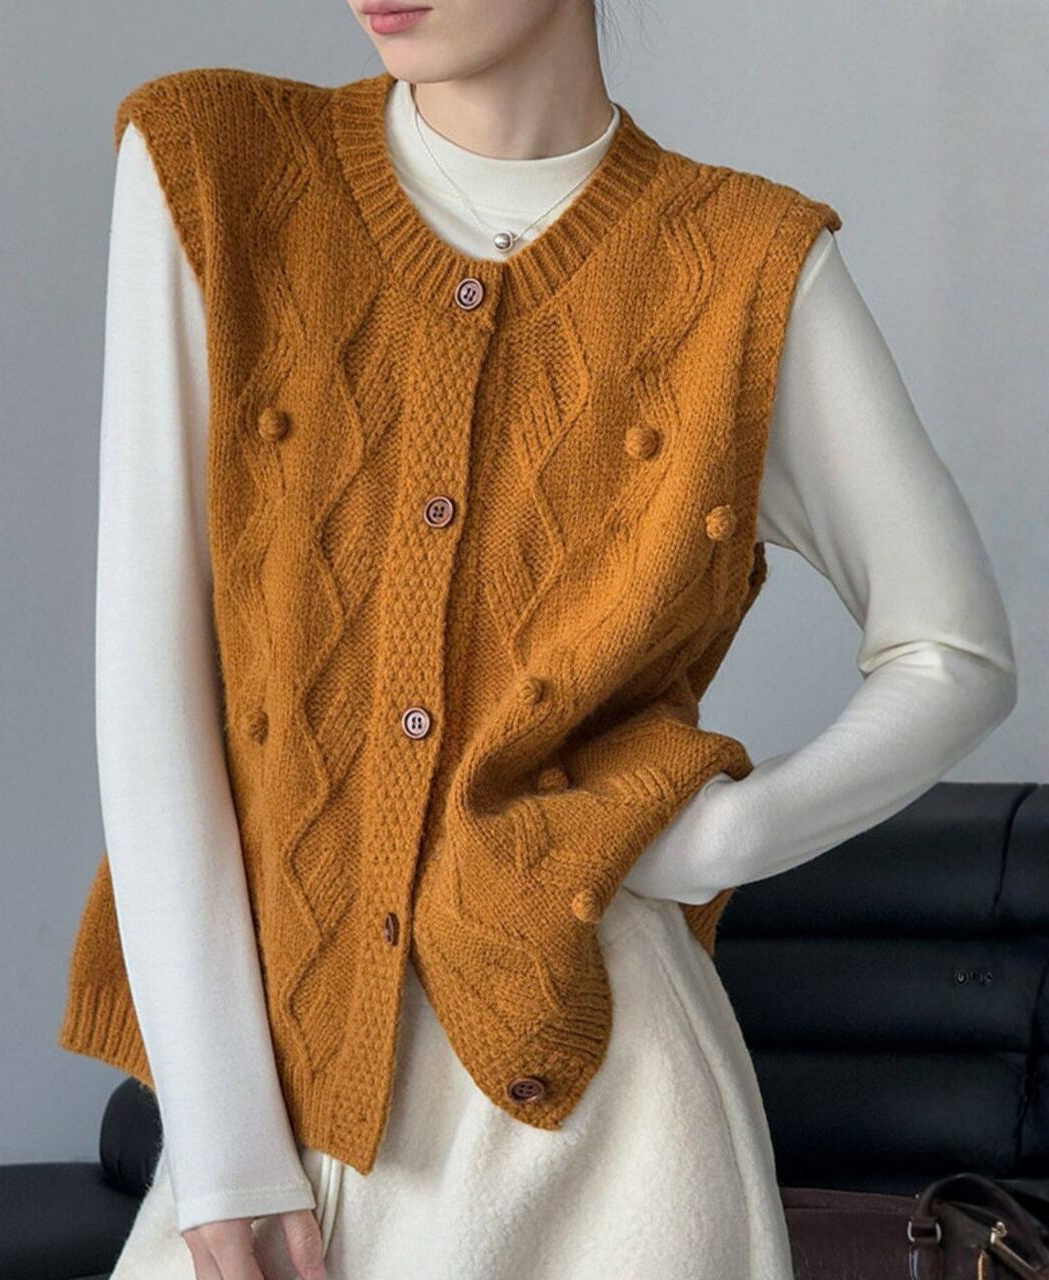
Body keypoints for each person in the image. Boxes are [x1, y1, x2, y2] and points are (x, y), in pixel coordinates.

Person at [61, 3, 1019, 1278]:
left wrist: (727, 836)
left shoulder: (746, 264)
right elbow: (149, 686)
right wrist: (225, 1143)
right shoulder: (216, 162)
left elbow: (953, 653)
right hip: (271, 1118)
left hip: (607, 1141)